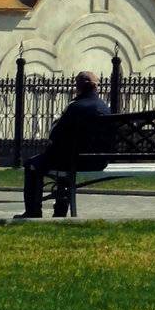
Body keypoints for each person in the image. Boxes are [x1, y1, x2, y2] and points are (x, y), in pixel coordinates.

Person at [18, 69, 111, 219]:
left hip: (72, 161)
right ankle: (59, 211)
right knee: (63, 160)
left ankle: (33, 211)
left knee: (31, 165)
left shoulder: (75, 107)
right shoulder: (105, 109)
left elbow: (55, 136)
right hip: (99, 161)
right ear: (96, 87)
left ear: (78, 87)